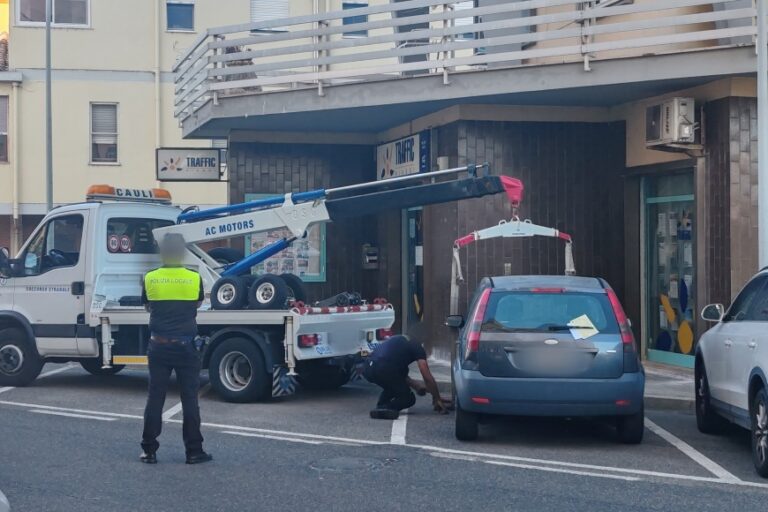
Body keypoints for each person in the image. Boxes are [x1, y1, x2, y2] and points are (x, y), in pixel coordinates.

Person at [140, 233, 212, 465]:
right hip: (186, 346)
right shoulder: (193, 277)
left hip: (159, 345)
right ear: (181, 253)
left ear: (163, 253)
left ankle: (149, 450)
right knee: (190, 399)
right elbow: (198, 303)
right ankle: (193, 451)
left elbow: (148, 305)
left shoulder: (150, 278)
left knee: (155, 398)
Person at [364, 323, 451, 420]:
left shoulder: (397, 339)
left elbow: (399, 375)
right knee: (408, 398)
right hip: (384, 369)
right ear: (422, 337)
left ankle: (382, 405)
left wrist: (417, 386)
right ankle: (385, 409)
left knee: (395, 383)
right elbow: (426, 375)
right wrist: (437, 398)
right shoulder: (416, 345)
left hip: (368, 368)